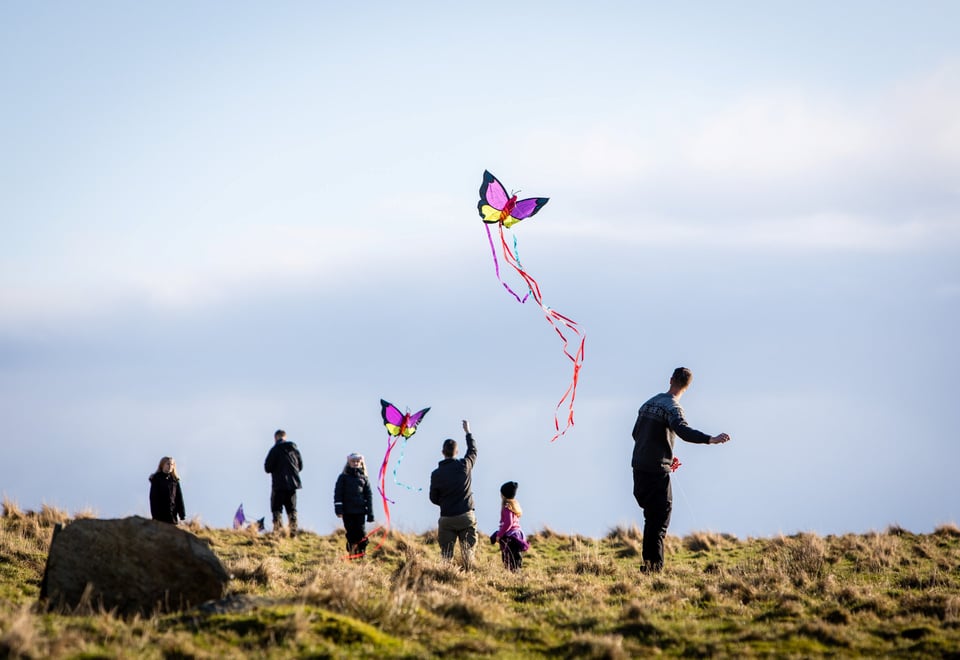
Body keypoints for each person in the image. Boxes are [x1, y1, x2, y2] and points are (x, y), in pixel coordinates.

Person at [631, 367, 730, 572]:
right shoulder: (673, 408)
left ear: (670, 380)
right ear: (688, 386)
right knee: (659, 521)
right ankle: (653, 569)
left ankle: (649, 566)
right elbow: (683, 431)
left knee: (652, 518)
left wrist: (665, 455)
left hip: (639, 468)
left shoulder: (648, 404)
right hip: (656, 471)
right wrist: (710, 439)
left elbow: (636, 434)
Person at [429, 419, 478, 567]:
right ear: (457, 452)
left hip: (447, 518)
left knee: (446, 556)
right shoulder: (465, 465)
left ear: (443, 452)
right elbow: (473, 451)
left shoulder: (436, 474)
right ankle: (468, 580)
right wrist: (468, 432)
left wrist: (445, 502)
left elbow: (433, 498)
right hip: (466, 516)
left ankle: (445, 579)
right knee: (468, 552)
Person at [334, 452, 375, 557]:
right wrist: (339, 510)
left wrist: (370, 513)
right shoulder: (343, 477)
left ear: (361, 463)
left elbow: (369, 496)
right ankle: (352, 551)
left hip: (360, 511)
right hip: (347, 511)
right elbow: (338, 494)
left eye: (357, 461)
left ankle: (361, 552)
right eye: (353, 461)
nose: (355, 463)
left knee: (361, 532)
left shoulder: (364, 478)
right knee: (351, 533)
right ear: (349, 462)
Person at [264, 429, 303, 536]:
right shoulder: (294, 450)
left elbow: (267, 468)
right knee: (292, 509)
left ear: (275, 438)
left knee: (276, 509)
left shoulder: (274, 450)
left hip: (278, 485)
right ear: (285, 437)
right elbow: (300, 466)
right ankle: (293, 532)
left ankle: (278, 532)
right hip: (293, 485)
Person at [489, 480, 530, 571]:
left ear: (503, 495)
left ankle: (513, 575)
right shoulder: (514, 505)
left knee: (509, 560)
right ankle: (515, 575)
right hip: (517, 535)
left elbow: (508, 523)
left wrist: (499, 535)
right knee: (515, 559)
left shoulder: (507, 507)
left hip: (511, 538)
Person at [149, 456, 186, 524]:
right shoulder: (156, 479)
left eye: (172, 464)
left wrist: (182, 514)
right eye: (168, 464)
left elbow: (179, 498)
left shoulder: (174, 481)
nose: (170, 466)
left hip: (172, 515)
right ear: (162, 465)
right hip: (160, 516)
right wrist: (155, 515)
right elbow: (153, 498)